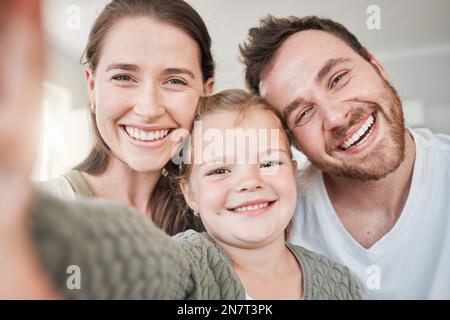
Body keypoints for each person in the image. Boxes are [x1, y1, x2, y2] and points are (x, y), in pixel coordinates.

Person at [14, 90, 363, 299]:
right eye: (219, 170)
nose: (249, 182)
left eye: (269, 162)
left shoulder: (339, 281)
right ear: (190, 194)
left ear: (293, 169)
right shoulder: (188, 264)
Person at [240, 15, 450, 299]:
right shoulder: (277, 221)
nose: (336, 117)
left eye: (338, 79)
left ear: (376, 66)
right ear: (294, 144)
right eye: (303, 113)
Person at [40, 0, 214, 235]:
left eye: (175, 81)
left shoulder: (217, 216)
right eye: (123, 77)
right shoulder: (33, 215)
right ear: (92, 87)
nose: (149, 109)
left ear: (206, 92)